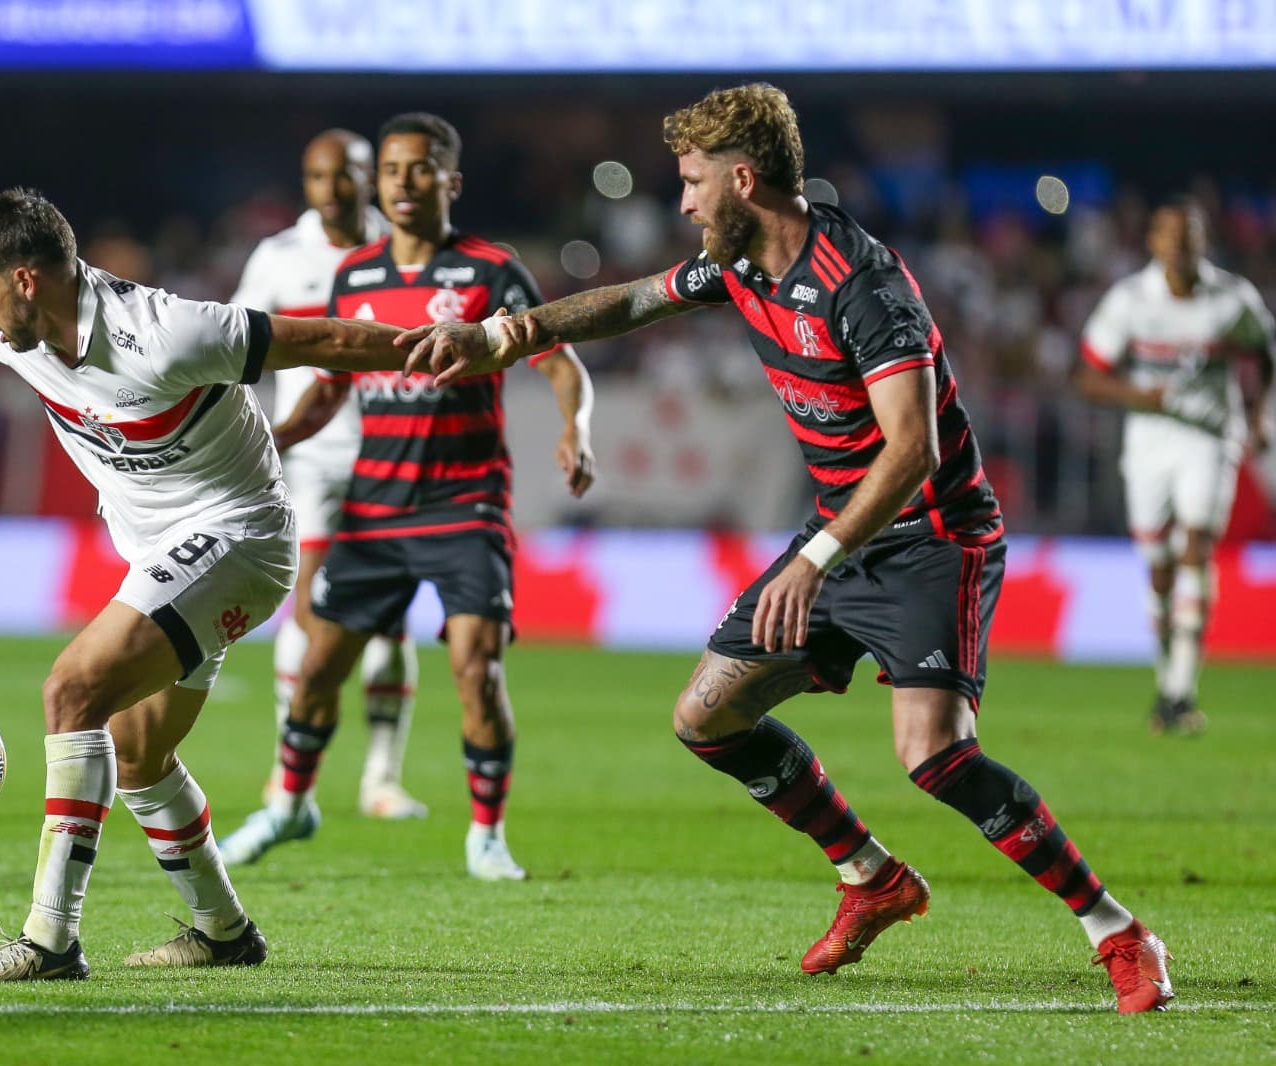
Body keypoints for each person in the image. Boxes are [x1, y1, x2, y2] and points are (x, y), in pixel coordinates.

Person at [400, 84, 1173, 1013]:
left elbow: (914, 449)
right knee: (705, 717)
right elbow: (632, 304)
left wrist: (816, 560)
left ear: (742, 177)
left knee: (933, 755)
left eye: (691, 183)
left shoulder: (862, 284)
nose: (681, 203)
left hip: (929, 534)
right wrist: (508, 332)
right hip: (841, 530)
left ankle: (1118, 931)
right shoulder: (739, 264)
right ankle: (870, 875)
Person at [0, 187, 419, 982]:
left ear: (28, 280)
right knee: (139, 753)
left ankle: (49, 940)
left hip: (238, 538)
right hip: (166, 552)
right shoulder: (9, 323)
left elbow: (331, 339)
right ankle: (224, 932)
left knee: (72, 691)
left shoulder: (167, 332)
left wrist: (452, 346)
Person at [217, 113, 596, 881]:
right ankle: (290, 805)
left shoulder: (491, 270)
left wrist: (575, 428)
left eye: (421, 169)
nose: (403, 182)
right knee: (318, 666)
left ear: (451, 181)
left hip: (466, 502)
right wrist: (272, 441)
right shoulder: (354, 275)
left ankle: (486, 836)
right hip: (375, 504)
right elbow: (327, 390)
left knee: (475, 669)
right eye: (392, 169)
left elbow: (557, 358)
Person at [230, 129, 427, 821]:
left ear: (371, 178)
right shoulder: (280, 256)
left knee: (391, 621)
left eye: (348, 175)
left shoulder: (407, 249)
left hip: (396, 454)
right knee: (309, 606)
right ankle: (292, 777)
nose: (334, 189)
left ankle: (381, 779)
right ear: (306, 183)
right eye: (320, 177)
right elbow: (235, 351)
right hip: (310, 455)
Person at [1077, 197, 1274, 734]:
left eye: (1190, 237)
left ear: (1203, 243)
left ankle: (1182, 689)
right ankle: (1169, 681)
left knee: (1196, 547)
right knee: (1159, 566)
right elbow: (1089, 374)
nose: (1181, 248)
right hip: (1149, 442)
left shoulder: (1232, 299)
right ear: (1154, 243)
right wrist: (1148, 398)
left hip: (1211, 439)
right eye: (1171, 237)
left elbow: (1266, 352)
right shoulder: (1132, 300)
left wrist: (1258, 419)